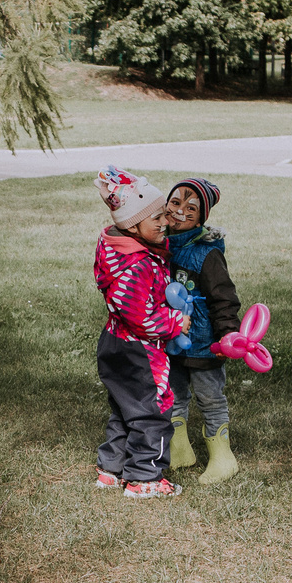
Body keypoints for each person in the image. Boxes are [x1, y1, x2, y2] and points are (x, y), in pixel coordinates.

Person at [90, 165, 192, 500]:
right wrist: (176, 323)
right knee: (152, 410)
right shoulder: (140, 265)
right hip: (139, 350)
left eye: (164, 214)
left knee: (125, 406)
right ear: (134, 224)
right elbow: (141, 317)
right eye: (157, 218)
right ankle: (145, 477)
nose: (165, 223)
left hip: (114, 343)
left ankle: (112, 469)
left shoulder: (117, 249)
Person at [162, 178, 244, 484]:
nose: (180, 211)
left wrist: (227, 335)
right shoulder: (161, 244)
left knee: (210, 398)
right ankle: (180, 451)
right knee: (173, 395)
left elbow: (224, 297)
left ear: (202, 217)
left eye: (191, 207)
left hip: (204, 344)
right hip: (172, 342)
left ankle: (223, 458)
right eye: (175, 202)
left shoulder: (207, 254)